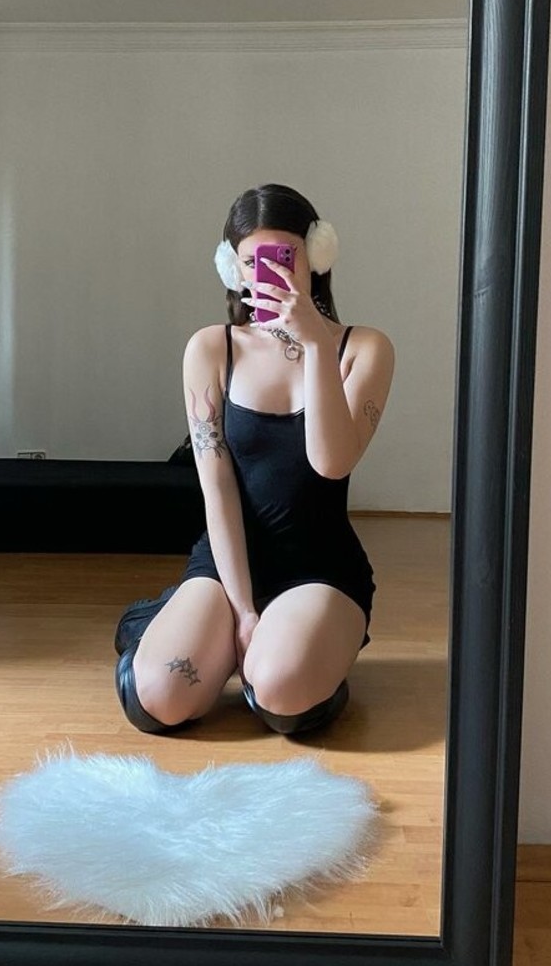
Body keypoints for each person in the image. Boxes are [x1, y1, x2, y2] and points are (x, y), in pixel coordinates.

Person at [114, 183, 395, 736]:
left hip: (322, 568)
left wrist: (315, 345)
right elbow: (217, 487)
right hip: (227, 562)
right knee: (159, 700)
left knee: (282, 696)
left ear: (317, 256)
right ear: (233, 269)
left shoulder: (364, 348)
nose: (271, 274)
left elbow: (331, 462)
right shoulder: (211, 348)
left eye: (285, 257)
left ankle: (295, 660)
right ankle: (174, 624)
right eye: (253, 262)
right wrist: (242, 610)